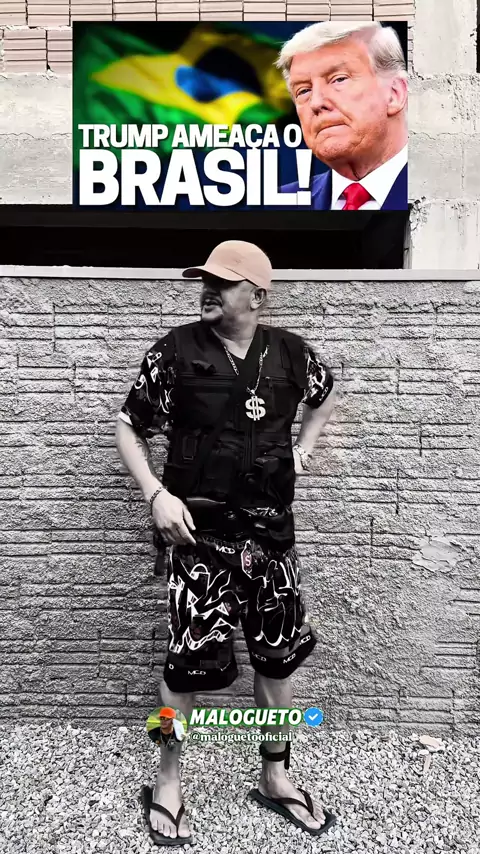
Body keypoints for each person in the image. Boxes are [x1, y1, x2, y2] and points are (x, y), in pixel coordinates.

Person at [116, 239, 337, 845]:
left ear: (257, 295)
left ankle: (275, 775)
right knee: (183, 670)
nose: (207, 289)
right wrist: (156, 495)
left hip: (271, 541)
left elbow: (325, 395)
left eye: (222, 281)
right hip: (199, 541)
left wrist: (303, 449)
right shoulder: (175, 352)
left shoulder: (291, 354)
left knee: (278, 662)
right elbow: (128, 427)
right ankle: (167, 780)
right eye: (204, 280)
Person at [277, 21, 408, 210]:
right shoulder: (277, 207)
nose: (316, 103)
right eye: (304, 90)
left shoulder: (444, 196)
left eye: (339, 79)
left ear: (395, 94)